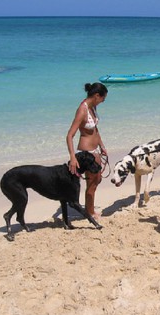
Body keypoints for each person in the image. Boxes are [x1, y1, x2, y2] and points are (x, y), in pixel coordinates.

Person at [66, 82, 108, 219]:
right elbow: (69, 135)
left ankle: (89, 208)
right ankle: (90, 212)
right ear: (96, 96)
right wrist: (73, 157)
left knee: (97, 180)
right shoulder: (82, 110)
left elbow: (95, 129)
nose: (103, 102)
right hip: (87, 152)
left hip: (95, 150)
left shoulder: (93, 107)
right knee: (92, 184)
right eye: (103, 99)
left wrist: (102, 146)